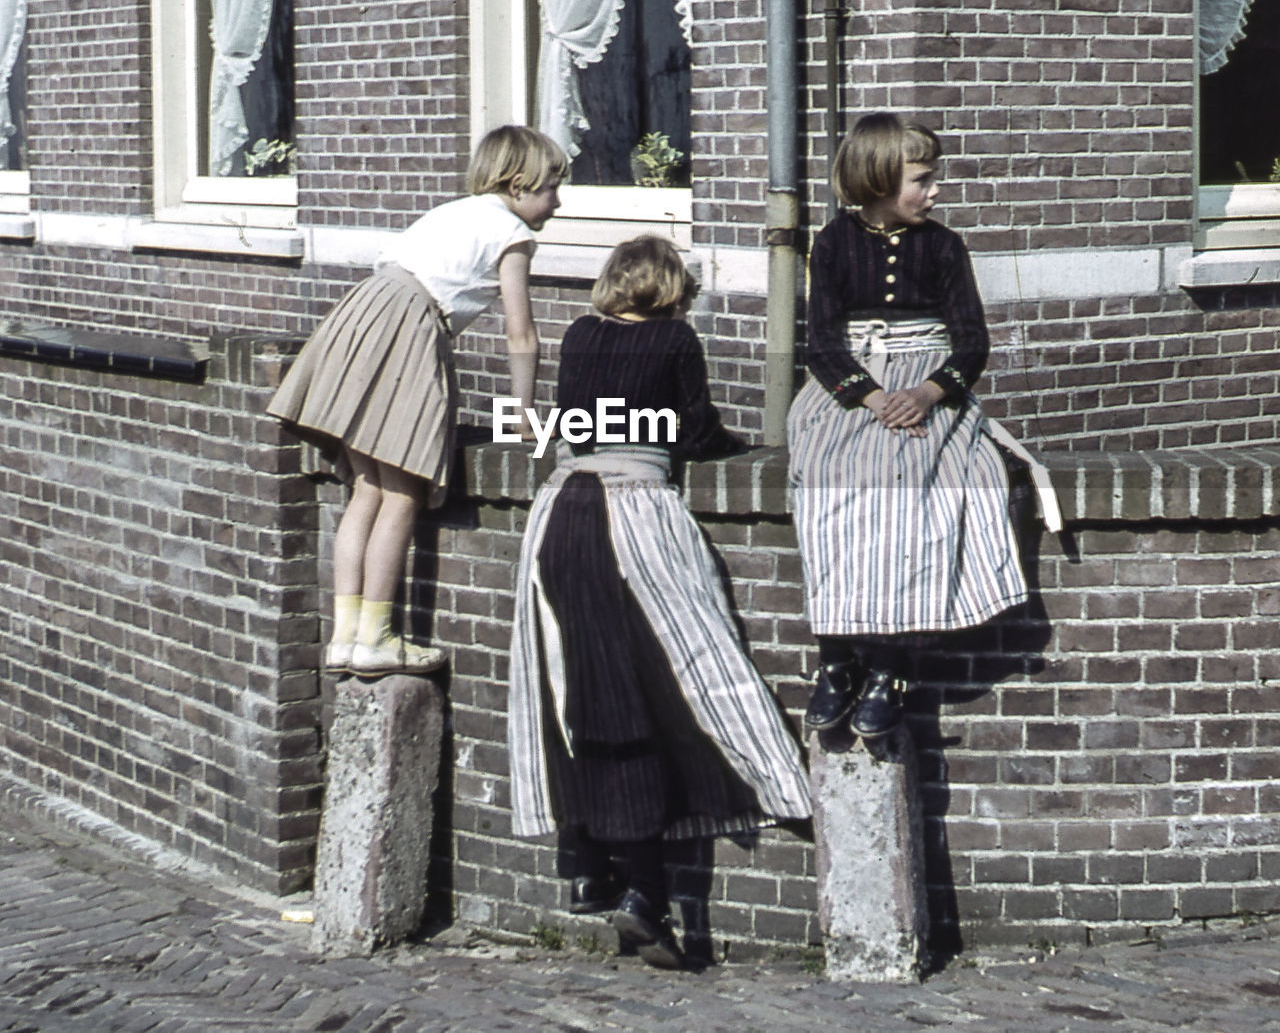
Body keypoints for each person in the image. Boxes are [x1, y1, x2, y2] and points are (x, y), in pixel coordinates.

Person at [508, 236, 811, 970]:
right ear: (673, 289)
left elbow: (572, 420)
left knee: (571, 694)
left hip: (558, 515)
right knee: (679, 675)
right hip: (633, 513)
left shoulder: (581, 332)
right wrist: (739, 448)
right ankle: (659, 882)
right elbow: (692, 429)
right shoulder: (676, 338)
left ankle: (589, 867)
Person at [268, 125, 567, 676]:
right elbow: (521, 335)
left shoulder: (453, 212)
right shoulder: (513, 235)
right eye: (551, 187)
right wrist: (523, 416)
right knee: (403, 488)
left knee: (367, 488)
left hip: (363, 313)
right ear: (520, 184)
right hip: (408, 324)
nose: (557, 201)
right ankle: (379, 635)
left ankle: (346, 638)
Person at [788, 112, 1038, 740]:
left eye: (934, 179)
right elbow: (819, 342)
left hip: (928, 389)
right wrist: (869, 397)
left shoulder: (944, 246)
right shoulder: (832, 243)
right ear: (875, 179)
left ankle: (891, 668)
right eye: (921, 181)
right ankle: (838, 658)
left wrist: (929, 393)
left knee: (920, 485)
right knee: (829, 478)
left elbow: (972, 342)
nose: (934, 192)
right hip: (852, 390)